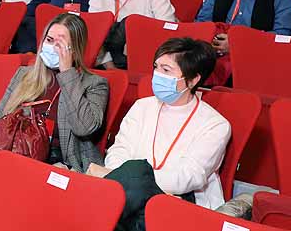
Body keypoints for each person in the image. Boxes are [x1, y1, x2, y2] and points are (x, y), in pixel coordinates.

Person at [85, 37, 231, 209]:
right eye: (156, 67)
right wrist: (125, 180)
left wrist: (135, 180)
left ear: (193, 80)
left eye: (166, 70)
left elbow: (189, 176)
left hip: (180, 203)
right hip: (126, 194)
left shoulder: (215, 124)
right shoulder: (142, 106)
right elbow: (119, 151)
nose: (158, 75)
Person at [0, 13, 110, 169]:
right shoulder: (24, 74)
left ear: (74, 50)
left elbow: (84, 128)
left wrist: (67, 72)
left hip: (59, 163)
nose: (52, 46)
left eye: (60, 43)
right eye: (49, 40)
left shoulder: (95, 84)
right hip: (14, 151)